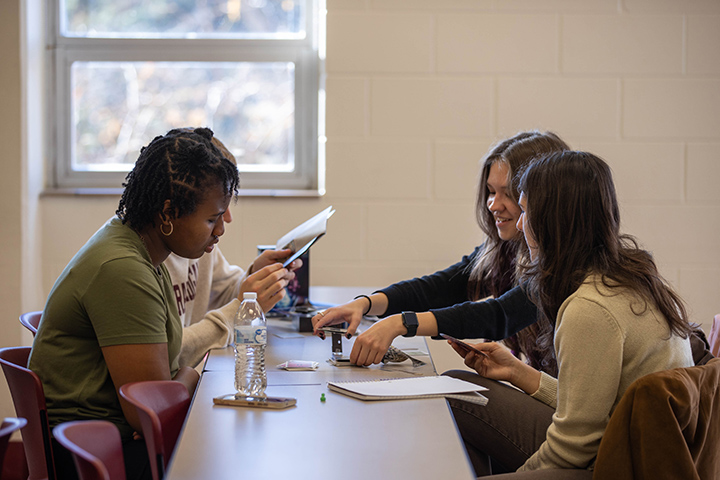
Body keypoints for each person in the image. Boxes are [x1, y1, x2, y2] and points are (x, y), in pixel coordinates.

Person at [445, 151, 694, 477]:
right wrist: (518, 372)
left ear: (553, 222)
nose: (520, 224)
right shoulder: (628, 277)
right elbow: (593, 407)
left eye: (526, 212)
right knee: (457, 387)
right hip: (627, 442)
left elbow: (574, 446)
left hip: (616, 463)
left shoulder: (590, 309)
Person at [28, 127, 239, 480]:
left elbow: (159, 395)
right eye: (211, 218)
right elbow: (150, 414)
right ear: (168, 213)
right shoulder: (123, 269)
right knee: (230, 458)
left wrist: (173, 384)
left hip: (106, 437)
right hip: (91, 454)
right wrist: (190, 374)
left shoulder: (141, 248)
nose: (220, 230)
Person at [312, 131, 570, 370]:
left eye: (509, 194)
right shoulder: (503, 250)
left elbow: (498, 315)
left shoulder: (562, 266)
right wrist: (364, 304)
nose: (493, 205)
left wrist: (400, 323)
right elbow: (439, 288)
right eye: (491, 192)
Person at [168, 135, 301, 369]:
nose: (226, 219)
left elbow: (221, 291)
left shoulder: (199, 243)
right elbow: (167, 354)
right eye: (215, 212)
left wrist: (254, 277)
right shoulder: (146, 257)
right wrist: (242, 307)